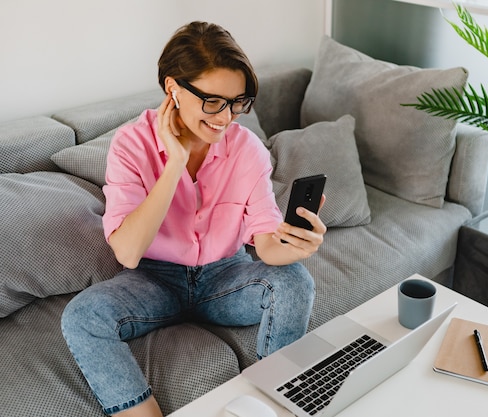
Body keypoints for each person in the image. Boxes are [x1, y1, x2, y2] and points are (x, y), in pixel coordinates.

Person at [61, 22, 326, 417]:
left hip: (226, 275)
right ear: (173, 88)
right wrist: (175, 164)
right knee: (82, 317)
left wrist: (293, 244)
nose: (227, 117)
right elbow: (129, 252)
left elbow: (266, 244)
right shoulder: (131, 145)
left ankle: (272, 406)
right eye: (213, 101)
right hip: (153, 278)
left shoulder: (247, 150)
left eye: (238, 102)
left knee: (295, 282)